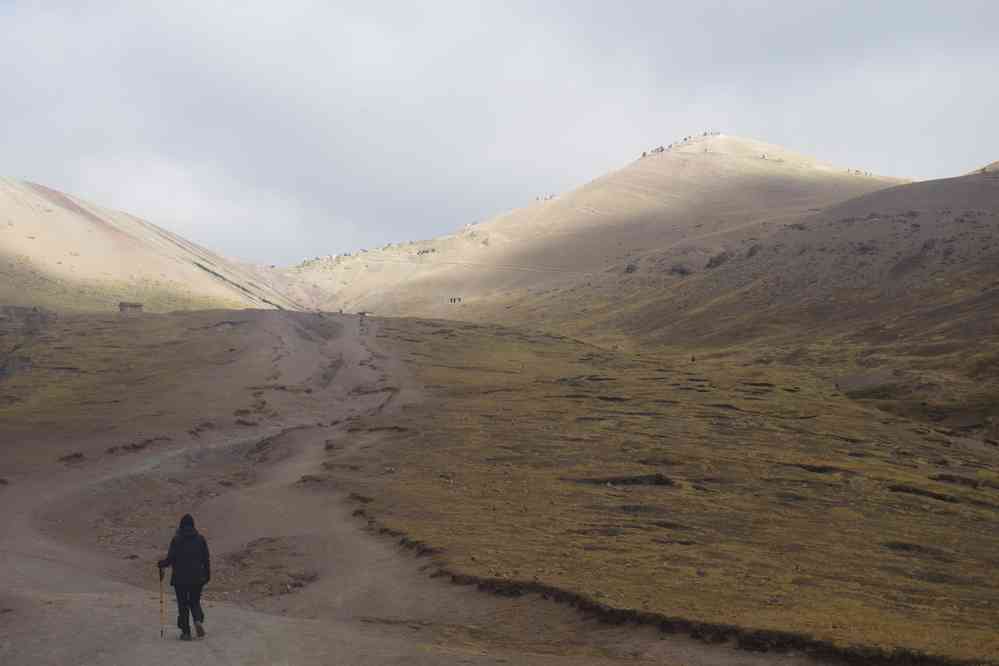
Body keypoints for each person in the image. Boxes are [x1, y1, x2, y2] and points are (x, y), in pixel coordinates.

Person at [158, 514, 210, 641]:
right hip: (197, 578)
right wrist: (207, 575)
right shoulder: (201, 539)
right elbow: (206, 559)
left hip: (180, 579)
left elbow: (171, 559)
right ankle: (197, 620)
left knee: (183, 605)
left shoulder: (177, 540)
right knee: (195, 601)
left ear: (181, 525)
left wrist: (161, 564)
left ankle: (186, 632)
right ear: (193, 525)